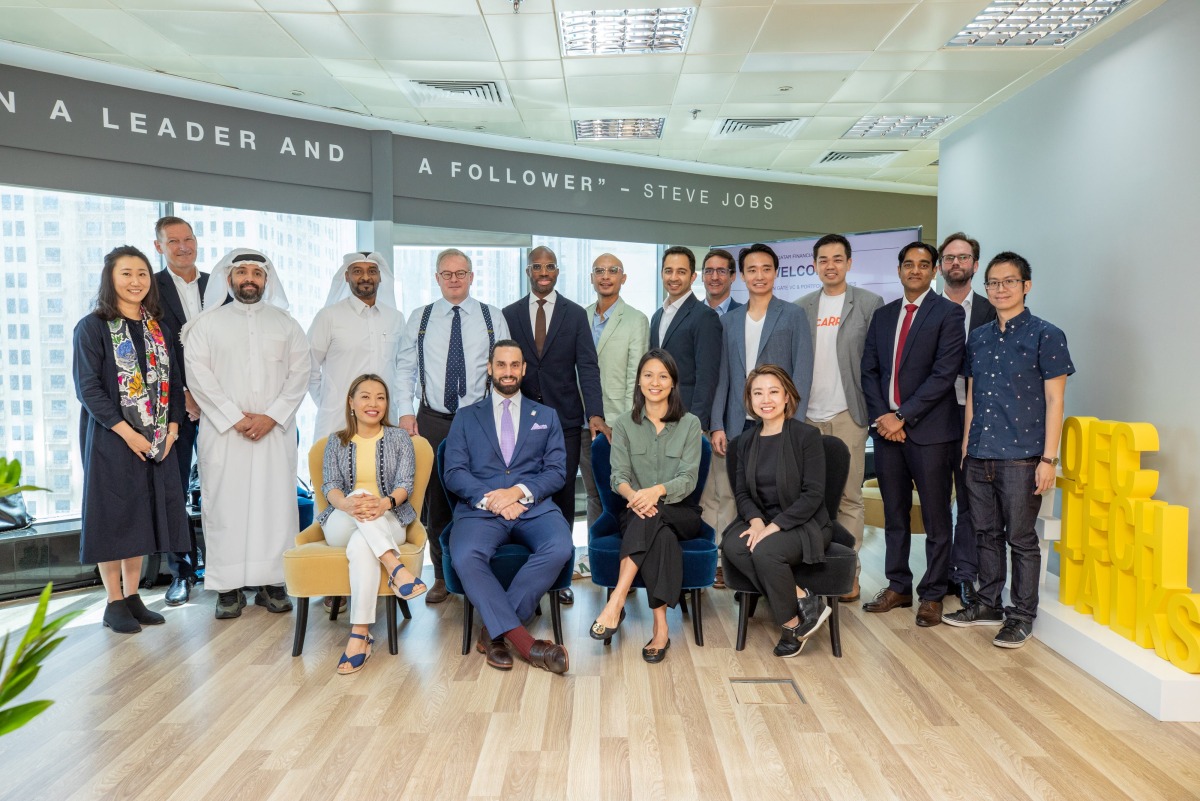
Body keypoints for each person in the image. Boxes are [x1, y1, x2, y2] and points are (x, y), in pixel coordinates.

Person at [943, 252, 1074, 648]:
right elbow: (972, 393)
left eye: (1009, 282)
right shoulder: (979, 337)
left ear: (1026, 286)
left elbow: (1056, 402)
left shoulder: (1046, 334)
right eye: (993, 283)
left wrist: (1048, 459)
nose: (1000, 289)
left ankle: (1021, 614)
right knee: (984, 533)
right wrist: (967, 446)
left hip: (1022, 456)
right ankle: (987, 603)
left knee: (1020, 538)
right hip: (979, 453)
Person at [182, 249, 311, 620]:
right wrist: (236, 418)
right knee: (225, 505)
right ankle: (228, 587)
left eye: (257, 272)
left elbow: (299, 375)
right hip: (224, 434)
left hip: (274, 432)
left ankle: (273, 583)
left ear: (267, 280)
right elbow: (199, 378)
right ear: (229, 279)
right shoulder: (206, 326)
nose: (249, 278)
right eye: (242, 272)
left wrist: (271, 417)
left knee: (275, 505)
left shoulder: (287, 325)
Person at [73, 245, 190, 633]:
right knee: (114, 518)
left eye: (142, 273)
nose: (135, 281)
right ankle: (113, 601)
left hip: (158, 440)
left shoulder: (159, 329)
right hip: (111, 438)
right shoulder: (92, 327)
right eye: (126, 273)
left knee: (141, 516)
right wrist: (127, 433)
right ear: (111, 278)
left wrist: (172, 429)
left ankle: (134, 595)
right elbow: (88, 388)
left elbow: (174, 384)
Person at [442, 340, 573, 675]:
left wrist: (517, 492)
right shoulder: (466, 417)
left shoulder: (546, 416)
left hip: (534, 507)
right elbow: (454, 471)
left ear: (524, 369)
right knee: (465, 554)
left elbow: (557, 470)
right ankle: (525, 643)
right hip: (481, 509)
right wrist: (493, 500)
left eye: (515, 365)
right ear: (490, 368)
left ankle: (493, 632)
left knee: (560, 547)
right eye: (501, 365)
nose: (508, 372)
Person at [396, 248, 511, 605]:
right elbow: (405, 369)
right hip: (432, 418)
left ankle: (483, 570)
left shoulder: (492, 317)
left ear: (472, 276)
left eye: (461, 273)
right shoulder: (421, 317)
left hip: (480, 418)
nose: (454, 279)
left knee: (483, 494)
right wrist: (404, 411)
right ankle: (443, 576)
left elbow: (504, 366)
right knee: (436, 500)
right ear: (437, 278)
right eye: (447, 274)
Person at [860, 242, 965, 628]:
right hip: (887, 434)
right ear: (900, 270)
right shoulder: (884, 315)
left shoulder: (949, 314)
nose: (915, 270)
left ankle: (934, 592)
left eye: (924, 264)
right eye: (909, 264)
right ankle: (898, 586)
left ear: (934, 270)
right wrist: (883, 418)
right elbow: (868, 371)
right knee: (894, 514)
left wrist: (903, 416)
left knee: (937, 518)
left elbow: (943, 374)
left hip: (931, 433)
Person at [502, 245, 606, 609]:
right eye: (536, 267)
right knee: (524, 492)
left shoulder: (575, 315)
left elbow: (588, 367)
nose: (543, 272)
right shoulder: (509, 314)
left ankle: (559, 578)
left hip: (565, 421)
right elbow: (503, 367)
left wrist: (595, 413)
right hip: (521, 423)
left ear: (557, 271)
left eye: (549, 267)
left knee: (562, 498)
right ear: (528, 271)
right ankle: (526, 570)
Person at [589, 349, 703, 664]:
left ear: (673, 382)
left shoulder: (690, 424)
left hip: (681, 511)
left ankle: (615, 602)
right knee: (657, 532)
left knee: (655, 518)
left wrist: (655, 492)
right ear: (639, 381)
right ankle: (661, 627)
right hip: (637, 511)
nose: (655, 382)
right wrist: (636, 497)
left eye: (663, 376)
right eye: (648, 375)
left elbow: (689, 478)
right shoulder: (625, 424)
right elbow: (618, 478)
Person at [709, 243, 814, 576]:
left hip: (779, 423)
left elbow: (803, 373)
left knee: (778, 494)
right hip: (739, 424)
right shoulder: (730, 321)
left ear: (776, 272)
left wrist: (793, 425)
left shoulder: (793, 314)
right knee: (734, 495)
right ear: (741, 275)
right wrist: (717, 424)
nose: (759, 275)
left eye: (766, 268)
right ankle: (734, 566)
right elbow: (723, 376)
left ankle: (775, 565)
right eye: (751, 269)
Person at [720, 365, 833, 657]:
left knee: (765, 551)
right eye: (758, 393)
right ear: (750, 399)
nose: (765, 399)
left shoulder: (807, 436)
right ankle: (800, 609)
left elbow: (813, 495)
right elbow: (742, 492)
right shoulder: (745, 441)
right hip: (763, 519)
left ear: (786, 397)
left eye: (773, 391)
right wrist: (757, 522)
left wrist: (773, 527)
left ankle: (788, 629)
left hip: (804, 523)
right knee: (733, 545)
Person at [795, 234, 884, 603]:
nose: (830, 265)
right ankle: (810, 575)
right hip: (807, 416)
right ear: (814, 265)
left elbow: (876, 362)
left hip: (848, 412)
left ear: (848, 262)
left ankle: (850, 574)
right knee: (807, 499)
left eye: (837, 259)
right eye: (823, 259)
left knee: (849, 497)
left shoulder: (868, 303)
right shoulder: (801, 307)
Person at [318, 374, 424, 674]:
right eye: (365, 396)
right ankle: (395, 567)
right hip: (341, 519)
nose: (373, 403)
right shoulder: (335, 441)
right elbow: (330, 486)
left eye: (380, 397)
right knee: (359, 494)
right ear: (351, 402)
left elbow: (405, 484)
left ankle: (359, 635)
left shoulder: (399, 438)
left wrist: (384, 503)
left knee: (362, 545)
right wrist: (349, 503)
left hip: (389, 519)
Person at [936, 232, 997, 608]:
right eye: (949, 257)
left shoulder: (994, 310)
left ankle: (963, 575)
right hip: (932, 416)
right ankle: (939, 572)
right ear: (941, 265)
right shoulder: (925, 308)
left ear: (975, 265)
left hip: (978, 417)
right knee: (936, 499)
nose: (956, 263)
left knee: (972, 501)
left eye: (964, 257)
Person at [152, 215, 209, 607]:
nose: (183, 246)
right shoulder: (149, 289)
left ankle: (229, 565)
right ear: (159, 247)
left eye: (188, 239)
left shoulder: (219, 285)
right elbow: (157, 351)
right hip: (177, 407)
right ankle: (182, 572)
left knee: (225, 487)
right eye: (174, 241)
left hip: (225, 406)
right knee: (173, 487)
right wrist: (186, 394)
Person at [308, 251, 412, 441]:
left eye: (372, 271)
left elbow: (403, 369)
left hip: (384, 421)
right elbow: (309, 368)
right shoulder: (329, 316)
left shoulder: (395, 318)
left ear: (380, 277)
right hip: (338, 422)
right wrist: (329, 402)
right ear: (347, 276)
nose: (365, 277)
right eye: (357, 271)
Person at [580, 253, 649, 530]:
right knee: (592, 492)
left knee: (620, 493)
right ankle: (597, 552)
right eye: (599, 271)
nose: (605, 276)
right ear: (592, 278)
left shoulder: (636, 320)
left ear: (623, 278)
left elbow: (637, 380)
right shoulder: (579, 316)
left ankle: (627, 551)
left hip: (619, 425)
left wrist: (623, 425)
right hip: (585, 422)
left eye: (612, 271)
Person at [650, 246, 722, 430]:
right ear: (661, 274)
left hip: (686, 418)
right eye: (668, 271)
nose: (673, 277)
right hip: (657, 415)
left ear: (692, 277)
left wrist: (695, 424)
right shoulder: (657, 316)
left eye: (681, 272)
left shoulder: (705, 317)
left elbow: (707, 378)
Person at [701, 248, 742, 317]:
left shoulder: (745, 314)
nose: (714, 277)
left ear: (732, 276)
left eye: (721, 271)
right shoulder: (689, 314)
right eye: (709, 271)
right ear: (702, 276)